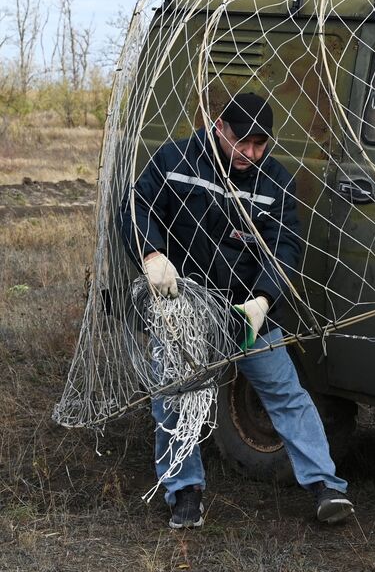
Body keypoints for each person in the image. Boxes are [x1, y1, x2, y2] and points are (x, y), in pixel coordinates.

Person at [127, 92, 354, 529]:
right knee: (174, 399)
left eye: (261, 144)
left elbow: (285, 246)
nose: (251, 153)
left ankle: (327, 487)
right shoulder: (175, 159)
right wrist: (153, 255)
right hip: (183, 310)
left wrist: (263, 300)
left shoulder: (276, 181)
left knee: (287, 395)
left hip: (246, 312)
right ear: (219, 127)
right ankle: (184, 493)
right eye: (243, 142)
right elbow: (137, 207)